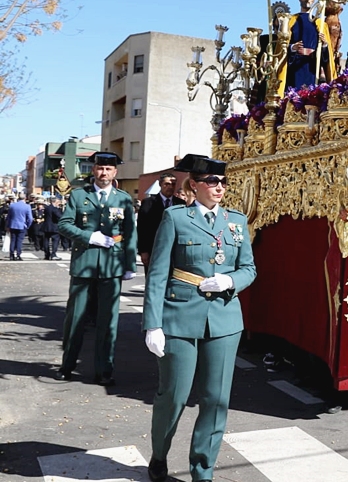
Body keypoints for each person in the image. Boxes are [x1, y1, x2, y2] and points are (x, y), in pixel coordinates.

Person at [143, 154, 256, 482]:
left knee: (216, 400)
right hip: (179, 317)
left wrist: (230, 281)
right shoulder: (176, 219)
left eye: (222, 182)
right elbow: (158, 272)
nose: (219, 187)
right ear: (194, 185)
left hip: (224, 320)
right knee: (174, 396)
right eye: (211, 181)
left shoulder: (236, 221)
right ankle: (159, 454)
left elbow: (249, 268)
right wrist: (153, 323)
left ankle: (202, 472)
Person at [56, 152, 137, 385]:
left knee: (108, 321)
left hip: (112, 266)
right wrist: (89, 236)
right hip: (84, 264)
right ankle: (67, 365)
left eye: (108, 169)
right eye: (100, 169)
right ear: (94, 171)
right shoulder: (79, 195)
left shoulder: (123, 199)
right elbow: (64, 224)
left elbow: (130, 233)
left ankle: (104, 370)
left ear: (115, 173)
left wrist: (129, 264)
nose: (104, 173)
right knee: (75, 319)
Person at [279, 0, 334, 93]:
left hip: (312, 67)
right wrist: (292, 48)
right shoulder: (291, 21)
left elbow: (326, 57)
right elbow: (282, 47)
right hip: (295, 67)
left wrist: (324, 45)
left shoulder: (320, 24)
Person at [137, 173, 185, 275]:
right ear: (160, 184)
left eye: (173, 184)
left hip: (175, 251)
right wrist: (143, 251)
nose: (170, 187)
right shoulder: (148, 203)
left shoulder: (181, 204)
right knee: (153, 280)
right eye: (167, 184)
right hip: (153, 249)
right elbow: (142, 228)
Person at [6, 193, 32, 260]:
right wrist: (27, 225)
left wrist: (8, 225)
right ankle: (18, 254)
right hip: (22, 225)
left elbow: (8, 217)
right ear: (25, 198)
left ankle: (11, 255)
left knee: (13, 240)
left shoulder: (12, 206)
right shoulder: (27, 206)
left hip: (13, 225)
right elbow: (30, 218)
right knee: (19, 241)